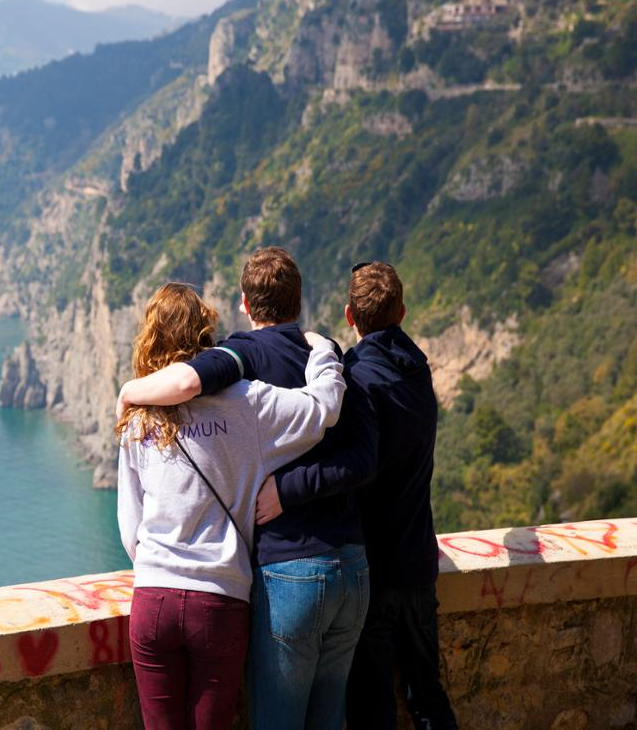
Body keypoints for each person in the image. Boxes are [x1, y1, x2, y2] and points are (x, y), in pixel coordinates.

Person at [117, 248, 378, 730]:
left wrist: (129, 391)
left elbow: (130, 530)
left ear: (244, 303)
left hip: (162, 592)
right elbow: (326, 413)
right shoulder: (248, 405)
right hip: (238, 591)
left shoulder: (139, 419)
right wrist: (325, 351)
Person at [338, 262, 458, 730]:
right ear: (402, 312)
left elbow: (357, 469)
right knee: (428, 698)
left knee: (372, 708)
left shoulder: (356, 380)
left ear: (350, 316)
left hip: (373, 569)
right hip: (419, 563)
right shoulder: (420, 374)